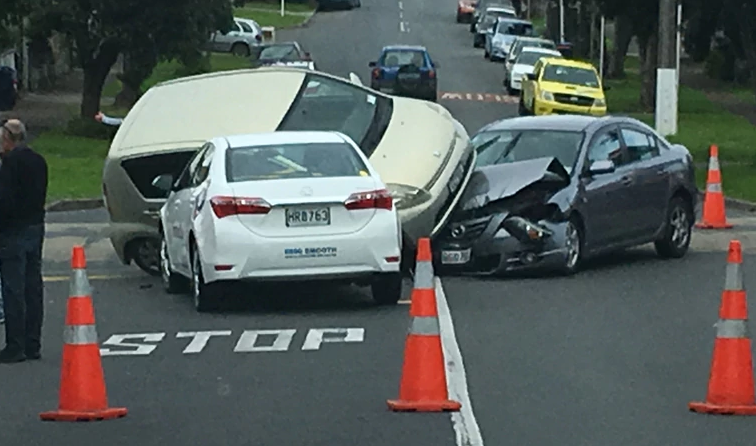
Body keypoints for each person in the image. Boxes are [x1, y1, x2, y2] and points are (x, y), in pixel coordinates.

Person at [0, 118, 48, 363]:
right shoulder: (39, 161)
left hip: (12, 231)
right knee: (33, 287)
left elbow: (5, 200)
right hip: (35, 225)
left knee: (13, 289)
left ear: (8, 138)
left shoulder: (9, 163)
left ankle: (15, 345)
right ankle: (33, 342)